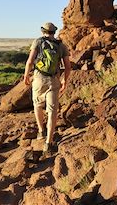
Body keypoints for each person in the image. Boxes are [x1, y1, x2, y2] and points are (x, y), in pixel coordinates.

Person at [24, 22, 71, 154]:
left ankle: (41, 131)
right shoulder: (61, 46)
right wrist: (64, 81)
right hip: (53, 80)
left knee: (37, 105)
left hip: (39, 79)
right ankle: (48, 143)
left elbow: (30, 61)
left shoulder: (38, 42)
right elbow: (68, 67)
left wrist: (26, 75)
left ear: (43, 31)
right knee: (52, 111)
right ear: (54, 32)